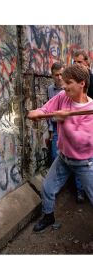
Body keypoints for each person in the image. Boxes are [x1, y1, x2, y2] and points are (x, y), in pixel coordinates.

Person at [28, 64, 93, 232]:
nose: (63, 86)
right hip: (63, 157)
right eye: (63, 82)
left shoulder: (90, 110)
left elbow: (82, 141)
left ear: (82, 83)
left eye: (68, 82)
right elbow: (46, 108)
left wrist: (64, 120)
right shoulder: (63, 96)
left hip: (84, 162)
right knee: (47, 187)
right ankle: (48, 216)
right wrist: (38, 112)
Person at [47, 62, 85, 203]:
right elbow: (49, 110)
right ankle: (56, 189)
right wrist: (51, 130)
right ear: (52, 75)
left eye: (61, 75)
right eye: (56, 75)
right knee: (56, 158)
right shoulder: (51, 90)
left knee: (77, 161)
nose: (59, 78)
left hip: (74, 130)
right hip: (58, 129)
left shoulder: (72, 91)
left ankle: (80, 190)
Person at [72, 49, 93, 202]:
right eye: (75, 62)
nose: (77, 65)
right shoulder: (74, 81)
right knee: (79, 157)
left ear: (87, 62)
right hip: (78, 127)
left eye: (79, 62)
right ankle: (80, 191)